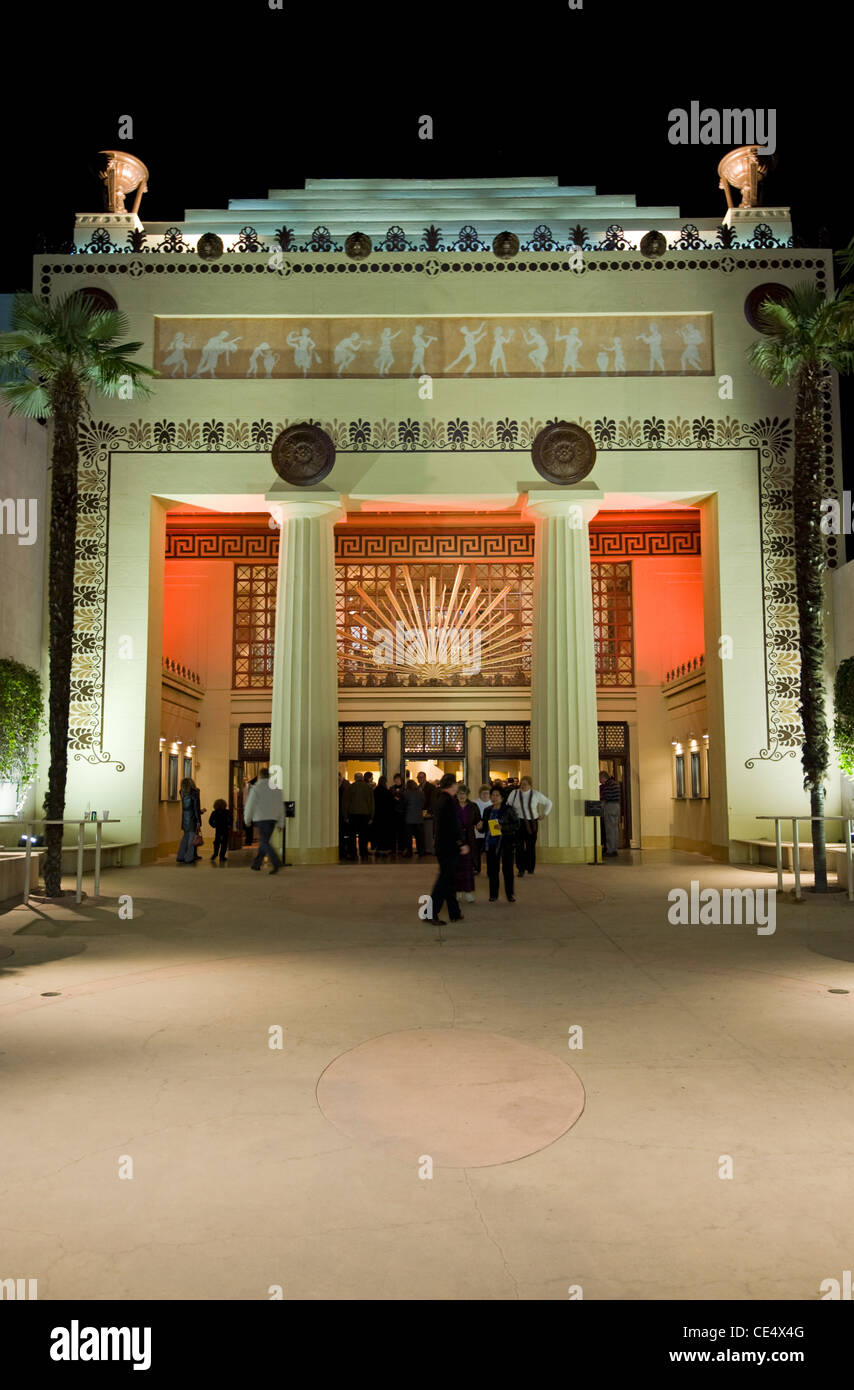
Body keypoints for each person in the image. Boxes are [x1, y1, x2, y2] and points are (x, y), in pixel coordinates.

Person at [426, 773, 468, 925]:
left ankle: (454, 912)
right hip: (449, 847)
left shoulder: (440, 800)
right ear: (452, 785)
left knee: (449, 879)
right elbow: (453, 826)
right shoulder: (449, 802)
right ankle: (430, 913)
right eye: (456, 784)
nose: (457, 786)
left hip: (442, 845)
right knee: (444, 880)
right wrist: (461, 843)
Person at [506, 777, 553, 876]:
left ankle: (530, 867)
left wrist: (544, 814)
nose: (523, 786)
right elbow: (507, 805)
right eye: (522, 783)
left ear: (530, 785)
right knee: (519, 847)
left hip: (532, 823)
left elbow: (549, 803)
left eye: (526, 784)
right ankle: (520, 869)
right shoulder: (514, 793)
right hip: (518, 823)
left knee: (530, 846)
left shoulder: (536, 794)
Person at [479, 786, 519, 902]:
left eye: (497, 795)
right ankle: (493, 894)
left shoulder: (508, 810)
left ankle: (510, 894)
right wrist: (480, 827)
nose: (494, 797)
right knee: (492, 870)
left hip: (505, 844)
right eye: (492, 795)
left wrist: (503, 827)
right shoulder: (487, 810)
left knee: (508, 870)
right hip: (491, 843)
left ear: (502, 797)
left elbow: (516, 825)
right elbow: (485, 829)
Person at [243, 767, 284, 874]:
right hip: (273, 819)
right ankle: (256, 864)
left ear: (260, 776)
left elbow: (250, 805)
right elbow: (281, 806)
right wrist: (281, 822)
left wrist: (247, 819)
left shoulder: (256, 788)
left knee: (264, 842)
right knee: (264, 841)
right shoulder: (276, 788)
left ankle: (276, 861)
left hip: (262, 818)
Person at [455, 785, 479, 902]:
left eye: (464, 793)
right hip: (456, 840)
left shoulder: (473, 806)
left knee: (468, 867)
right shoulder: (452, 807)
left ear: (467, 794)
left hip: (469, 839)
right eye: (459, 793)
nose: (461, 796)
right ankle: (458, 891)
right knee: (456, 867)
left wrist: (480, 825)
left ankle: (468, 892)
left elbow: (479, 822)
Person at [346, 771, 375, 862]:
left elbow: (346, 802)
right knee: (364, 835)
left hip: (352, 814)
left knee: (352, 835)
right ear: (362, 778)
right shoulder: (368, 788)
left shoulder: (350, 787)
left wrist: (345, 816)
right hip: (365, 814)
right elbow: (371, 803)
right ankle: (363, 853)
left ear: (355, 778)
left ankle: (353, 853)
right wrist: (371, 816)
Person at [176, 777, 202, 864]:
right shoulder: (194, 793)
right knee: (191, 839)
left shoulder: (182, 792)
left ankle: (180, 856)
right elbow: (196, 808)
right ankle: (189, 857)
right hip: (192, 818)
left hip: (185, 818)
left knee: (185, 838)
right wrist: (198, 821)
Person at [599, 770, 622, 856]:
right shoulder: (615, 783)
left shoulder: (608, 785)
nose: (599, 781)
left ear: (603, 777)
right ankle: (615, 848)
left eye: (600, 778)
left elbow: (606, 797)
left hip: (610, 807)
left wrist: (601, 803)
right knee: (615, 829)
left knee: (609, 830)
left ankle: (610, 850)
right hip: (616, 806)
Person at [402, 779, 425, 858]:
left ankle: (409, 852)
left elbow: (404, 804)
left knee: (409, 837)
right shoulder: (421, 793)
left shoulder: (406, 793)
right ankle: (421, 852)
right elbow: (423, 803)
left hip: (409, 818)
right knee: (419, 837)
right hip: (419, 818)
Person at [373, 774, 395, 857]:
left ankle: (378, 849)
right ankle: (384, 849)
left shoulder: (375, 791)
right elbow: (392, 803)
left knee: (378, 833)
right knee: (385, 833)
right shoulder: (387, 792)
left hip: (378, 815)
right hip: (386, 816)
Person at [473, 783, 492, 875]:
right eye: (483, 793)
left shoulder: (493, 803)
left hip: (490, 832)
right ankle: (476, 868)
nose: (485, 795)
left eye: (487, 793)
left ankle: (490, 870)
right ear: (479, 794)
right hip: (478, 832)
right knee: (477, 852)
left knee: (490, 853)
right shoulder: (475, 803)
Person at [208, 798, 232, 865]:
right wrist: (229, 825)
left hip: (218, 829)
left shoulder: (214, 812)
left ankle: (215, 854)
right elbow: (231, 820)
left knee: (217, 842)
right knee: (224, 843)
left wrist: (214, 825)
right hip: (225, 829)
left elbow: (210, 821)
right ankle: (222, 856)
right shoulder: (227, 812)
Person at [417, 771, 437, 855]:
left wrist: (430, 812)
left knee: (428, 831)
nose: (420, 779)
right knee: (422, 832)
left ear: (425, 777)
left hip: (428, 812)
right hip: (419, 813)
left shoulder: (431, 787)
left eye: (421, 777)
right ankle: (423, 848)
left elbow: (433, 801)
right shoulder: (418, 787)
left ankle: (429, 849)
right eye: (418, 778)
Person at [338, 773, 353, 861]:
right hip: (342, 814)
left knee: (343, 834)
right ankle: (343, 851)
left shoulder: (345, 787)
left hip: (343, 814)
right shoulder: (345, 787)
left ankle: (344, 851)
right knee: (342, 834)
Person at [243, 776, 257, 846]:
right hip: (242, 808)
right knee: (244, 825)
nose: (244, 780)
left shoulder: (249, 786)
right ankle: (246, 840)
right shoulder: (240, 788)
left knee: (248, 825)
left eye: (245, 779)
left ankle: (248, 840)